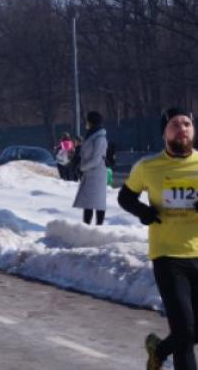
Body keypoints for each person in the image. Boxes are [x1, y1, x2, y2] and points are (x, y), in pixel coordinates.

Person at [118, 108, 198, 370]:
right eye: (175, 124)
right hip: (168, 256)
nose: (182, 128)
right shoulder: (148, 166)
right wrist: (143, 212)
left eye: (186, 123)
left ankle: (159, 351)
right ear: (164, 132)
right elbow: (125, 197)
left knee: (192, 330)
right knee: (184, 331)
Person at [73, 111, 108, 225]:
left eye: (87, 121)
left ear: (92, 122)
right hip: (90, 173)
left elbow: (96, 159)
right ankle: (86, 228)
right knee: (88, 203)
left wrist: (82, 167)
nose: (86, 124)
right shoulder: (91, 135)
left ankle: (99, 228)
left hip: (97, 173)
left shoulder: (99, 138)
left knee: (97, 203)